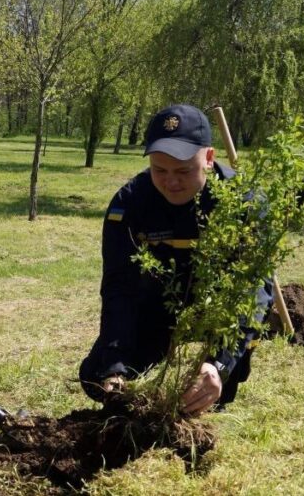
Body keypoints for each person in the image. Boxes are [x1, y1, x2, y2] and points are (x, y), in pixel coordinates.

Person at [79, 104, 272, 414]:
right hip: (156, 308)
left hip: (216, 312)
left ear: (209, 159)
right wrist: (116, 366)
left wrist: (218, 365)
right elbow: (119, 288)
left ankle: (215, 377)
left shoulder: (244, 203)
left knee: (211, 397)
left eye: (183, 171)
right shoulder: (130, 205)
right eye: (160, 170)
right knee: (95, 376)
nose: (171, 182)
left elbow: (254, 291)